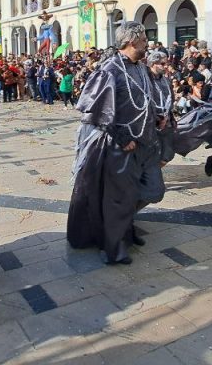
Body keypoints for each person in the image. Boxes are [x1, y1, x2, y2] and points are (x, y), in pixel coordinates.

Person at [67, 22, 165, 266]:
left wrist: (160, 116)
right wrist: (122, 137)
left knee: (154, 190)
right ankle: (114, 247)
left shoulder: (142, 68)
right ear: (132, 41)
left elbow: (146, 99)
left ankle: (125, 227)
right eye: (144, 39)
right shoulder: (109, 69)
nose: (147, 44)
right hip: (121, 146)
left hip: (147, 143)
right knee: (119, 198)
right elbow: (92, 109)